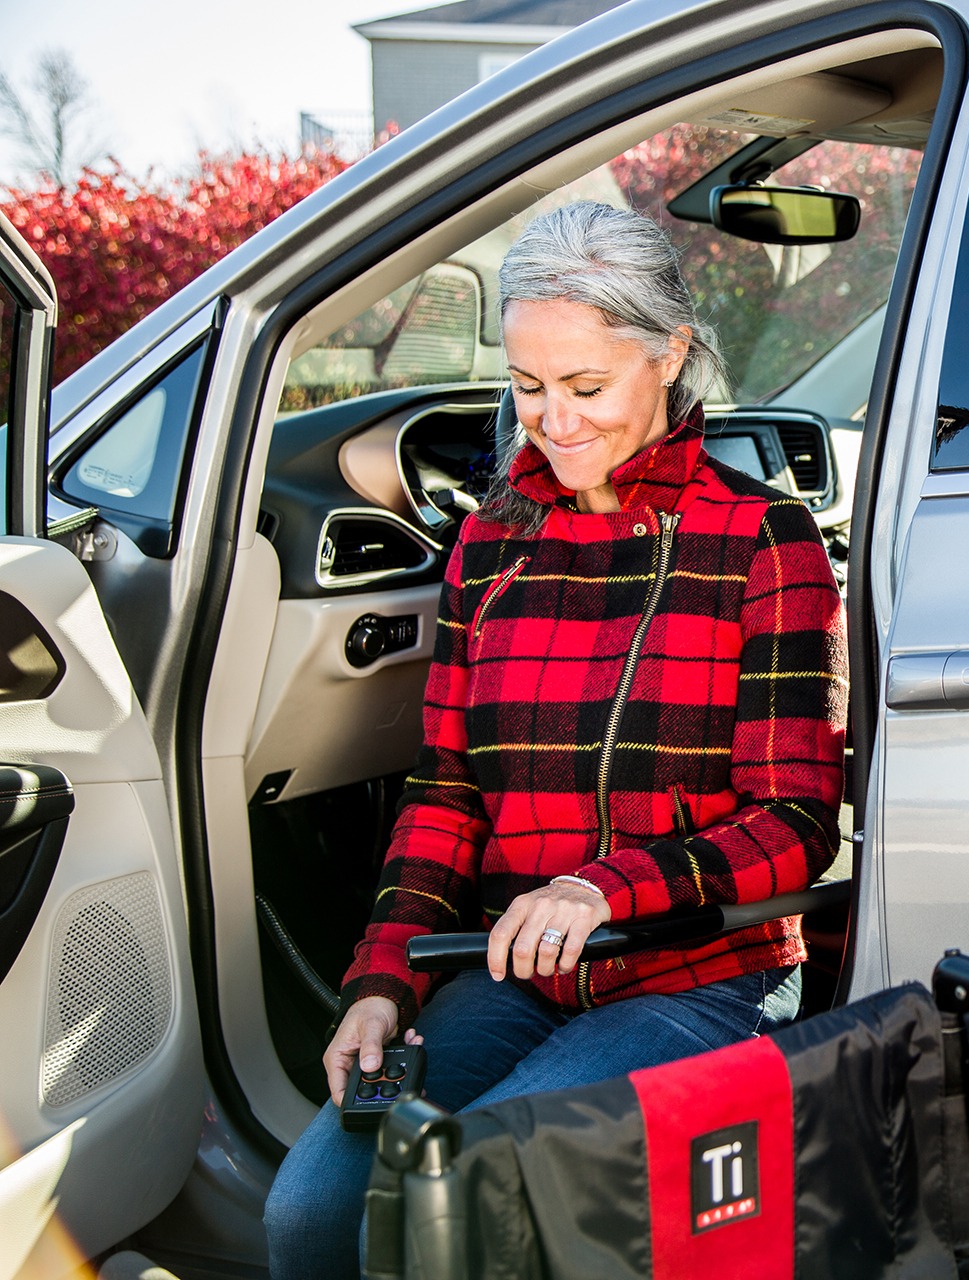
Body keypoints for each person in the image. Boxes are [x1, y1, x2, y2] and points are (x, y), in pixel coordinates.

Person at [264, 200, 848, 1278]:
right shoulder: (490, 545)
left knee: (477, 1204)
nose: (553, 422)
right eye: (529, 388)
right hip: (513, 974)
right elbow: (446, 797)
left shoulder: (762, 537)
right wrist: (382, 981)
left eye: (586, 386)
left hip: (700, 974)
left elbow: (798, 822)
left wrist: (604, 889)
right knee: (311, 1213)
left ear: (669, 354)